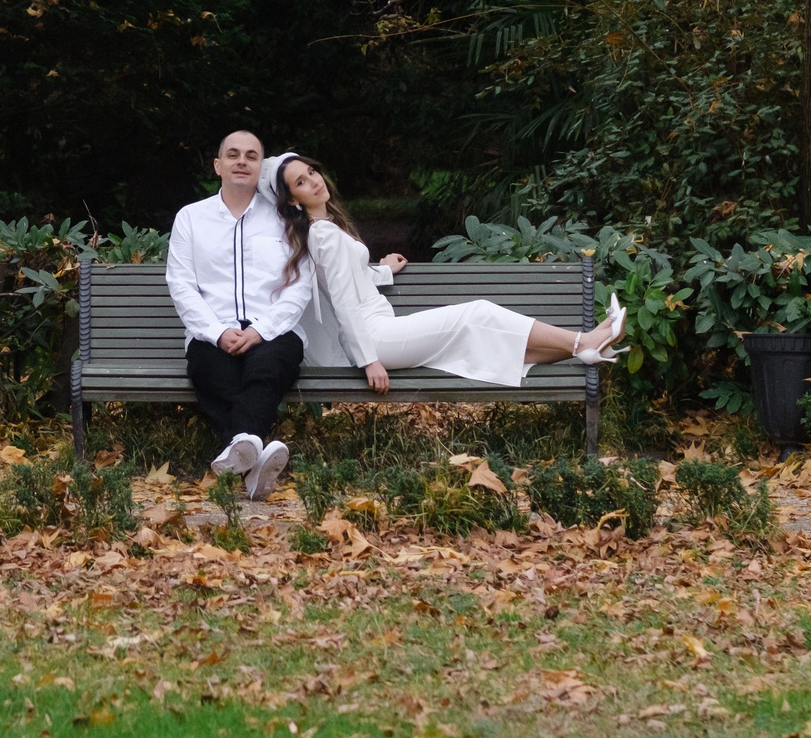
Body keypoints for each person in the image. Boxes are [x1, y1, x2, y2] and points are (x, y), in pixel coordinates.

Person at [270, 152, 626, 389]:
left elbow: (351, 277)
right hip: (375, 338)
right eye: (301, 182)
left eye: (312, 171)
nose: (314, 181)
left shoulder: (326, 230)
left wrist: (383, 270)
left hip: (381, 330)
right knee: (477, 314)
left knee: (480, 329)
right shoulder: (322, 234)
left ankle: (583, 348)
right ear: (292, 200)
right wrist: (368, 361)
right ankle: (586, 340)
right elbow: (344, 301)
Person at [164, 129, 314, 500]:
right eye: (233, 154)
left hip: (275, 330)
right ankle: (255, 460)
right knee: (211, 371)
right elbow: (182, 284)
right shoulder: (191, 218)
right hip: (212, 331)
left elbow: (301, 283)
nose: (241, 161)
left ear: (261, 167)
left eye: (251, 155)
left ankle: (241, 451)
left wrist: (263, 330)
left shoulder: (287, 217)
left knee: (266, 369)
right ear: (218, 165)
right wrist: (216, 332)